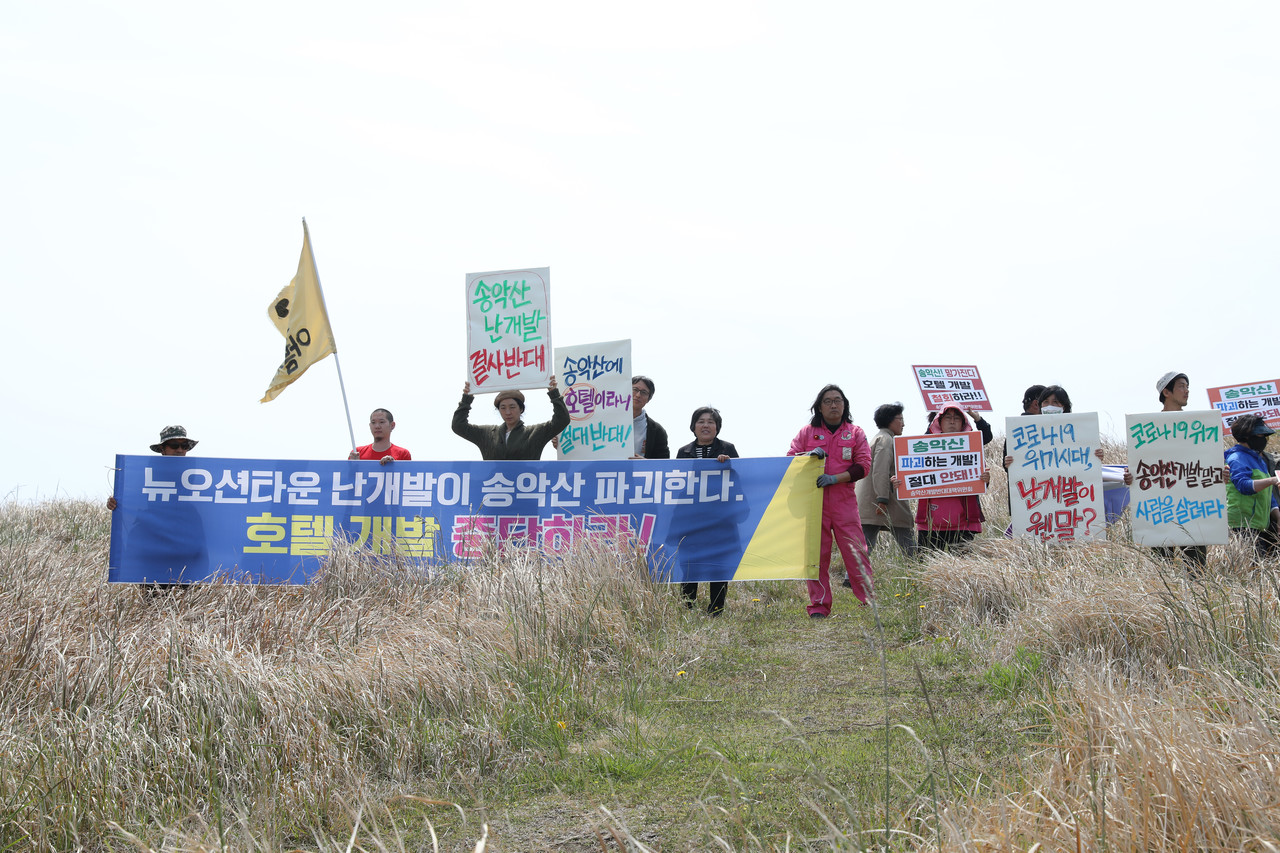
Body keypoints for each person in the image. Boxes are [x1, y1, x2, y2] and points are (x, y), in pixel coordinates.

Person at [787, 384, 873, 616]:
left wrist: (835, 478)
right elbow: (790, 460)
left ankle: (868, 601)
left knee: (856, 552)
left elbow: (863, 466)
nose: (833, 405)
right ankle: (819, 605)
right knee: (817, 556)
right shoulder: (807, 433)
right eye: (828, 401)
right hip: (814, 504)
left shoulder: (855, 433)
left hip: (844, 503)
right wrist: (807, 456)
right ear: (819, 407)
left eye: (838, 400)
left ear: (845, 406)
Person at [676, 407, 739, 615]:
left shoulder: (728, 449)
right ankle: (688, 608)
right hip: (691, 519)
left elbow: (739, 479)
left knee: (718, 564)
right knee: (689, 563)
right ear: (693, 426)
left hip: (720, 520)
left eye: (711, 422)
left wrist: (727, 465)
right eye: (701, 421)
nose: (705, 425)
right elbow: (676, 482)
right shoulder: (683, 452)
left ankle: (717, 609)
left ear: (717, 427)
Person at [1152, 372, 1207, 570]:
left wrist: (1218, 474)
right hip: (1160, 505)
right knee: (1161, 566)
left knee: (1195, 567)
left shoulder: (1198, 425)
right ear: (1166, 392)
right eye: (1182, 386)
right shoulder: (1149, 426)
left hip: (1193, 504)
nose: (1187, 391)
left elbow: (1205, 462)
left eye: (1187, 386)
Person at [916, 406, 991, 552]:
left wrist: (985, 479)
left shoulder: (972, 446)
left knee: (962, 568)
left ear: (963, 423)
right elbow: (911, 475)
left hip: (964, 520)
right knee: (927, 569)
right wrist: (901, 482)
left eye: (957, 418)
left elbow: (986, 437)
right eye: (947, 418)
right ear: (939, 422)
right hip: (930, 521)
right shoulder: (924, 446)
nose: (952, 422)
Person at [452, 377, 570, 461]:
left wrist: (554, 393)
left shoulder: (535, 433)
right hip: (495, 490)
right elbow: (458, 426)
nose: (507, 412)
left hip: (527, 492)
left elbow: (562, 420)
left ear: (521, 409)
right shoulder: (487, 434)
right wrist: (466, 398)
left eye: (512, 407)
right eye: (503, 408)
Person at [856, 403, 917, 560]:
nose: (903, 423)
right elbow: (880, 470)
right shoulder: (886, 440)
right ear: (890, 420)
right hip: (883, 500)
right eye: (900, 419)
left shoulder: (879, 438)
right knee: (906, 537)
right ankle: (917, 571)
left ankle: (852, 578)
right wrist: (882, 498)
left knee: (866, 542)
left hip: (869, 501)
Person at [1224, 414, 1280, 560]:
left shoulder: (1258, 459)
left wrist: (1278, 517)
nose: (1264, 440)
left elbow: (1268, 494)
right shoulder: (1237, 458)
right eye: (1261, 435)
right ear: (1248, 436)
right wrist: (1272, 480)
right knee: (1253, 568)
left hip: (1259, 524)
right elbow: (1243, 486)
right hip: (1242, 525)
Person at [107, 425, 197, 511]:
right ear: (162, 449)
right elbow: (132, 494)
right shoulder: (146, 472)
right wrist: (115, 502)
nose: (180, 450)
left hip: (185, 520)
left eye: (184, 446)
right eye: (174, 445)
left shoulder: (199, 474)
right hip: (152, 521)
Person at [632, 375, 670, 459]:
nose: (638, 395)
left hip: (641, 472)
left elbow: (663, 462)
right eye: (635, 389)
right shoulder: (607, 420)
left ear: (648, 399)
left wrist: (646, 463)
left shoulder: (657, 430)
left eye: (644, 392)